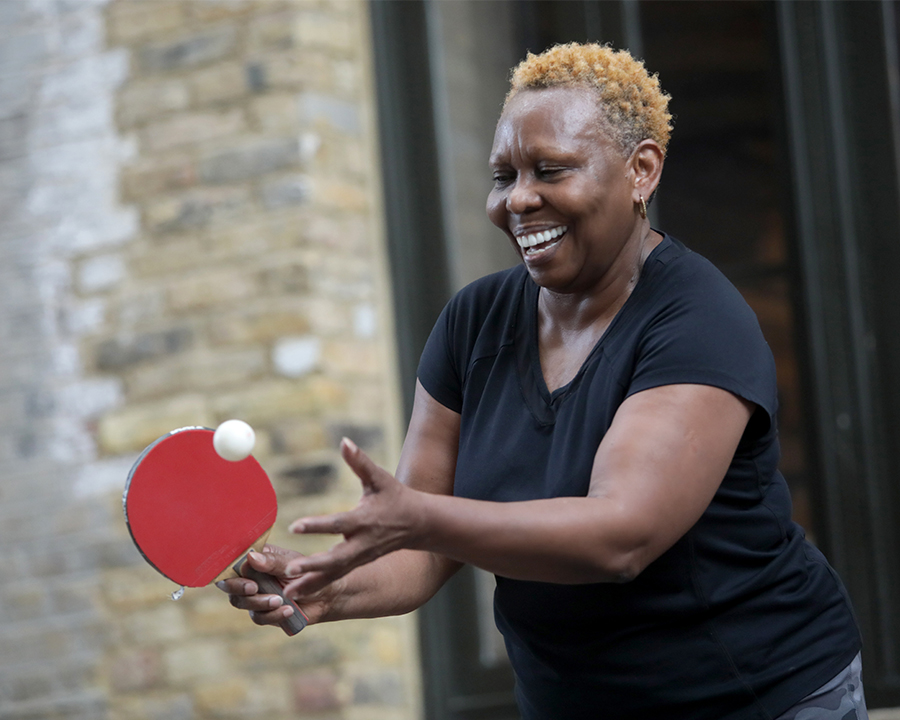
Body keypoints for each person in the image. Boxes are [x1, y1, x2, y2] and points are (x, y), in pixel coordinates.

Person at [220, 43, 865, 720]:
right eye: (504, 176)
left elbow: (622, 535)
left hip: (756, 696)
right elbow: (419, 554)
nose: (519, 199)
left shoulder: (699, 321)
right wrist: (325, 589)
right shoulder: (473, 324)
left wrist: (422, 518)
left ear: (642, 170)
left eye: (551, 170)